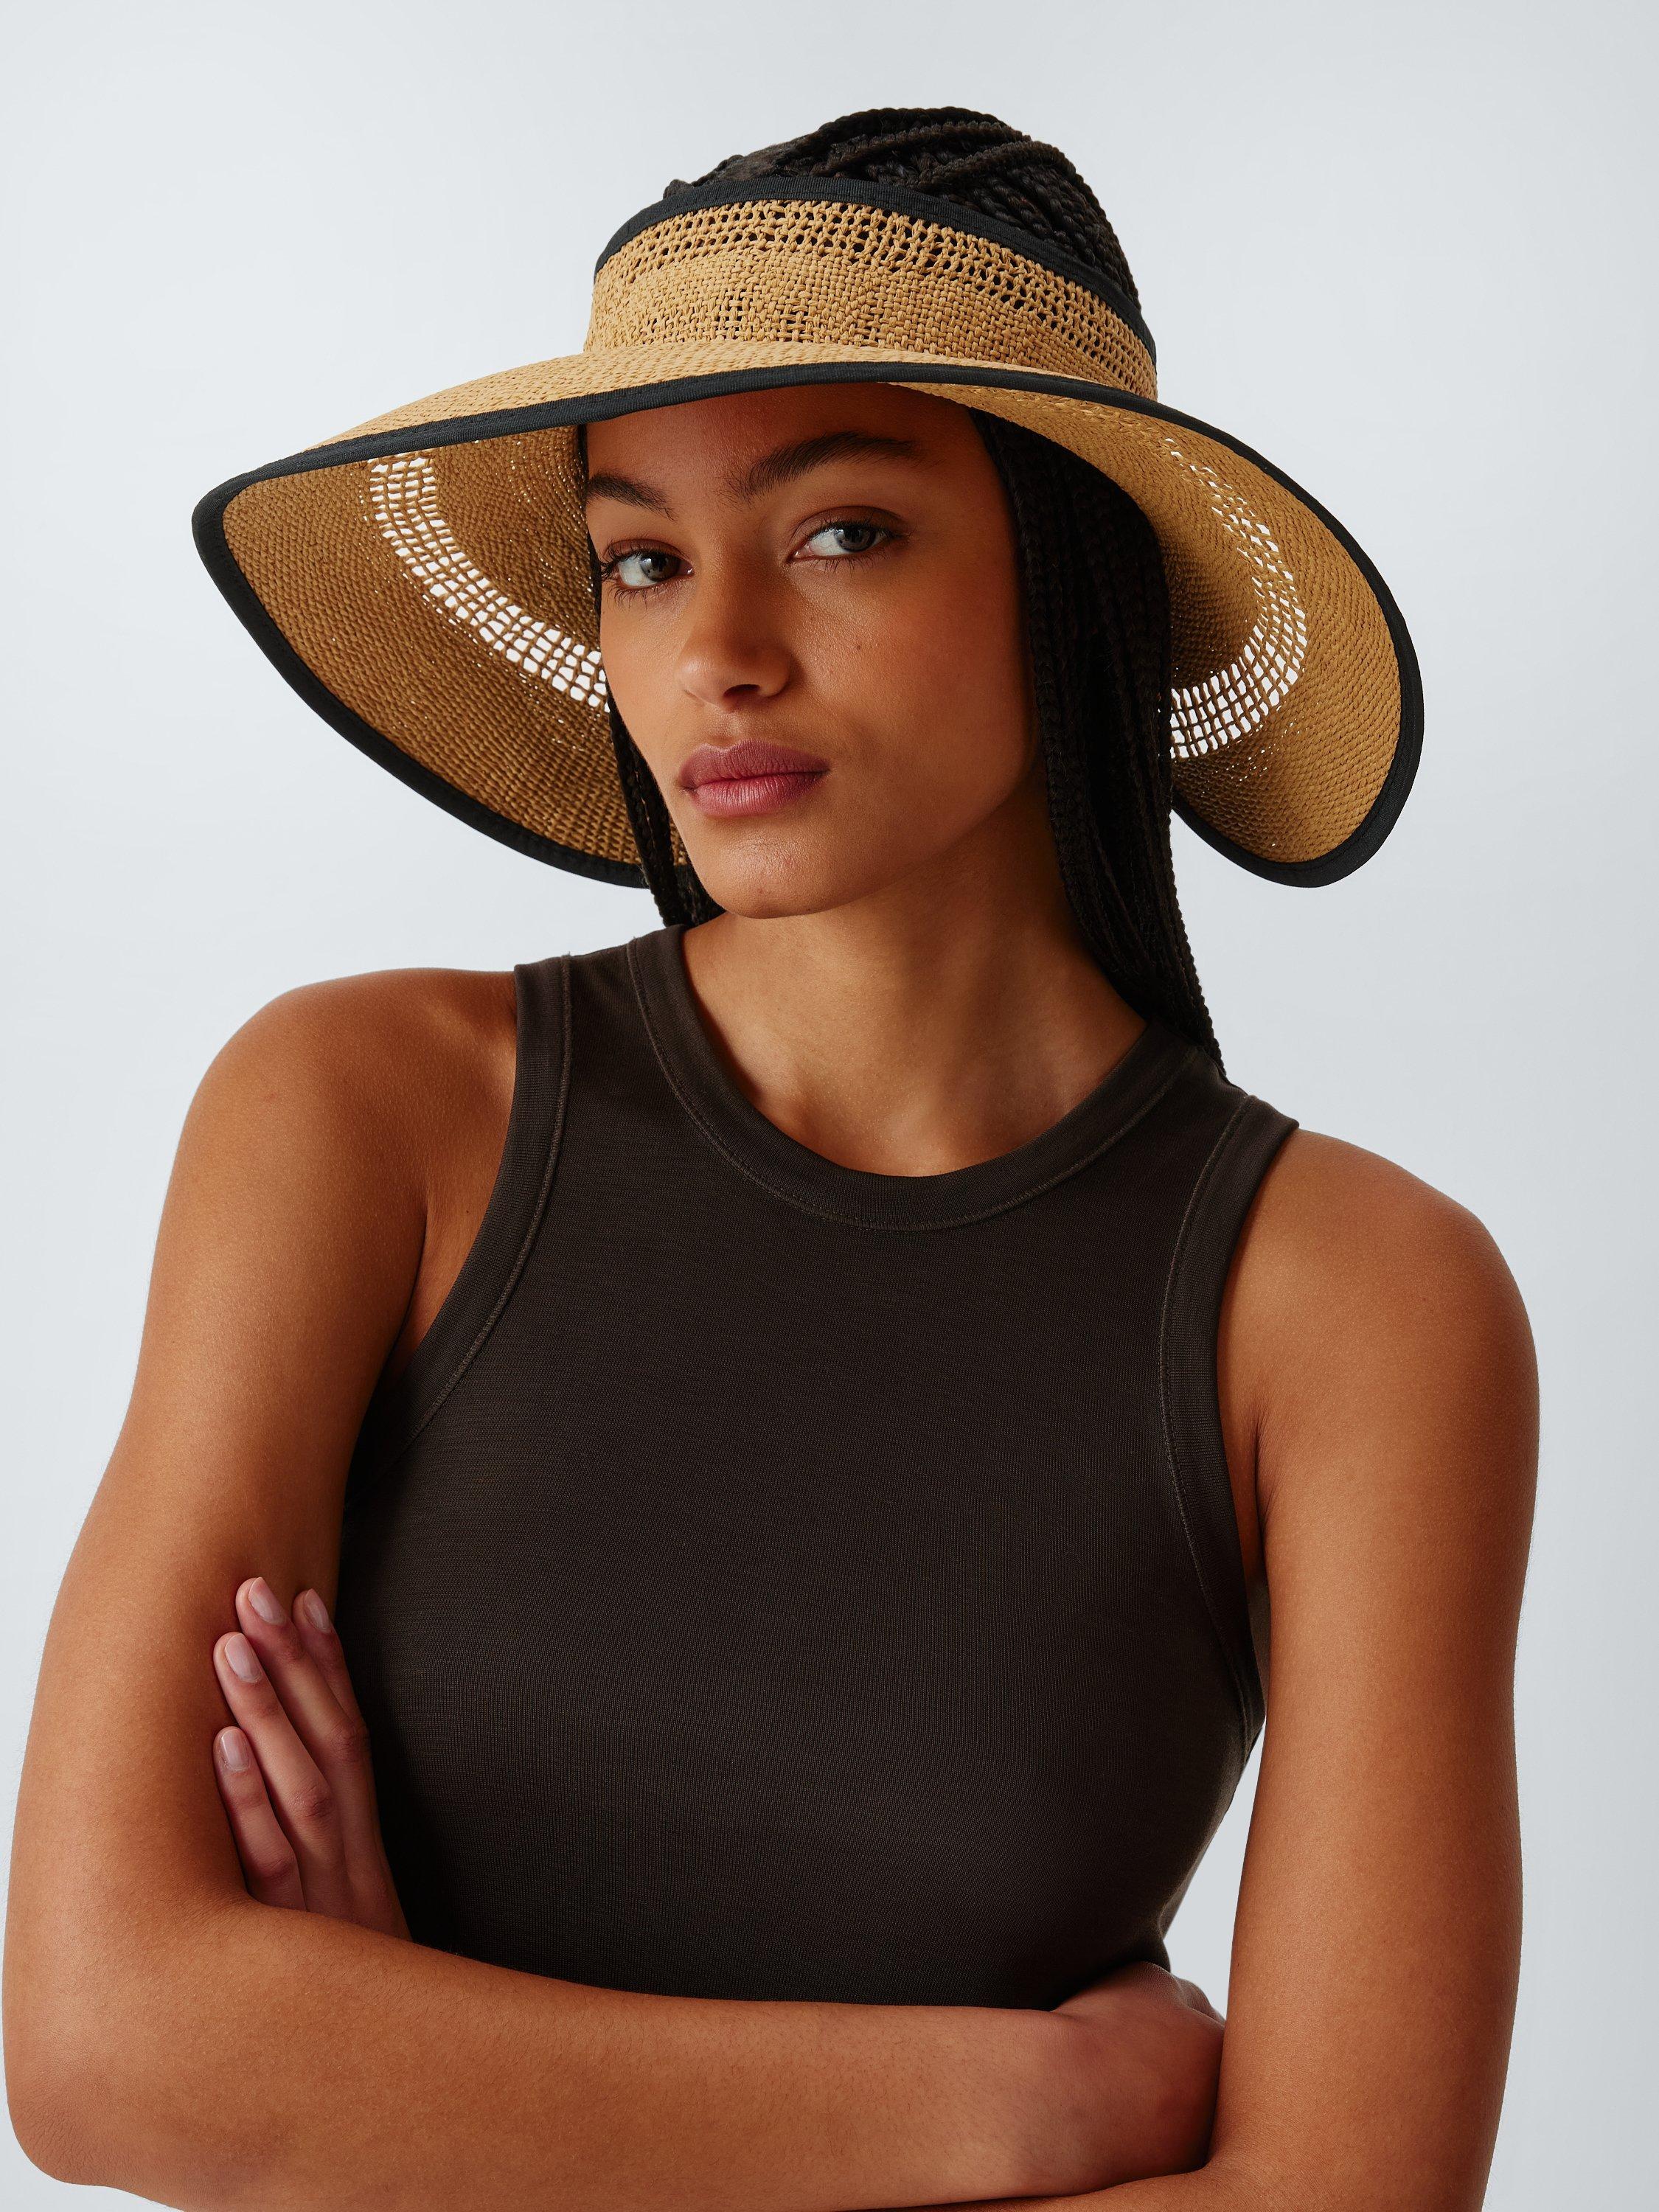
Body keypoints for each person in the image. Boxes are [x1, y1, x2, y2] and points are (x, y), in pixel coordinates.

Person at [5, 108, 1537, 2211]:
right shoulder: (364, 1113)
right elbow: (104, 2046)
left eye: (841, 533)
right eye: (639, 559)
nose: (715, 646)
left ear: (1071, 564)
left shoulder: (1350, 1304)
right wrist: (1029, 2114)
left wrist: (390, 2105)